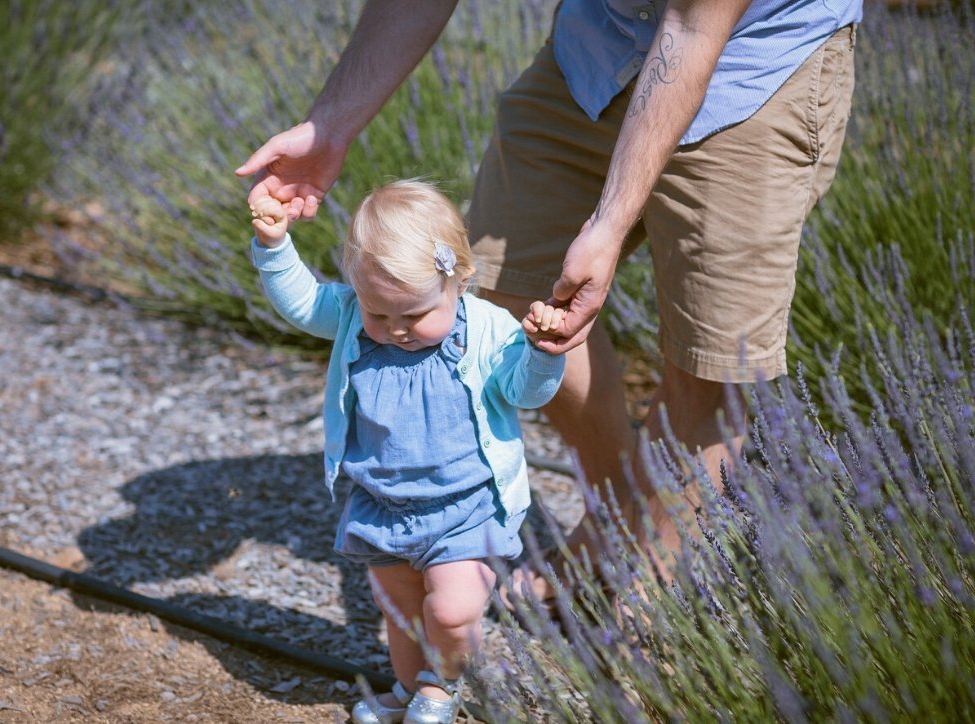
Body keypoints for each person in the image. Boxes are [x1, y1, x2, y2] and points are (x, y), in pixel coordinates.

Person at [236, 0, 862, 608]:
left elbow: (695, 29)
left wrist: (609, 225)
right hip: (599, 50)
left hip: (751, 70)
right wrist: (331, 125)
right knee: (509, 289)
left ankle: (647, 597)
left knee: (709, 363)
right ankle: (616, 516)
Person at [248, 179, 566, 723]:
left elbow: (526, 393)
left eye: (414, 315)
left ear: (460, 280)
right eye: (380, 313)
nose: (396, 330)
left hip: (465, 506)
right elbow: (302, 303)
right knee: (399, 614)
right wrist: (275, 247)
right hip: (382, 503)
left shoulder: (487, 331)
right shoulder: (353, 317)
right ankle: (407, 689)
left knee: (453, 607)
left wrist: (543, 354)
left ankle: (441, 687)